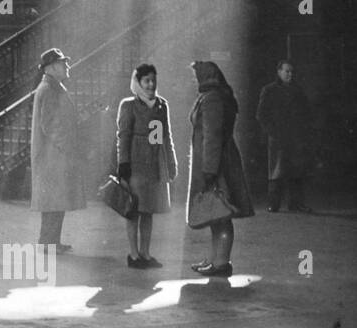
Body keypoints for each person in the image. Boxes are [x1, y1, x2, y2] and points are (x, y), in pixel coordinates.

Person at [187, 60, 255, 276]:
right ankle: (216, 259)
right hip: (219, 160)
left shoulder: (212, 99)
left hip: (217, 163)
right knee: (216, 214)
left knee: (220, 213)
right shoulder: (214, 96)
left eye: (196, 75)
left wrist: (209, 170)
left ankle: (221, 263)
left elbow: (212, 136)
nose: (194, 79)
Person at [116, 63, 179, 268]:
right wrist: (123, 164)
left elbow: (164, 136)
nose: (151, 84)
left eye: (153, 80)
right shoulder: (128, 105)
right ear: (138, 82)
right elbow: (123, 136)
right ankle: (133, 254)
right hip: (135, 164)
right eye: (146, 80)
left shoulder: (162, 105)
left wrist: (171, 163)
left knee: (149, 210)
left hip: (154, 164)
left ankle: (145, 253)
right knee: (134, 210)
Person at [30, 48, 85, 253]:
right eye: (63, 63)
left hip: (52, 156)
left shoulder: (51, 87)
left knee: (55, 200)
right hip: (53, 156)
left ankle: (51, 241)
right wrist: (67, 147)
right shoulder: (49, 89)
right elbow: (51, 125)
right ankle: (48, 243)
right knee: (53, 201)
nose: (67, 66)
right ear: (52, 67)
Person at [256, 60, 313, 212]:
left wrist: (303, 131)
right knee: (276, 170)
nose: (290, 74)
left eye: (291, 72)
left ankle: (295, 203)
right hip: (277, 137)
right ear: (279, 72)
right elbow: (261, 115)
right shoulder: (269, 90)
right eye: (287, 71)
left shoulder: (297, 90)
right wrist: (272, 132)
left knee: (296, 170)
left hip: (295, 137)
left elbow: (306, 112)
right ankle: (273, 204)